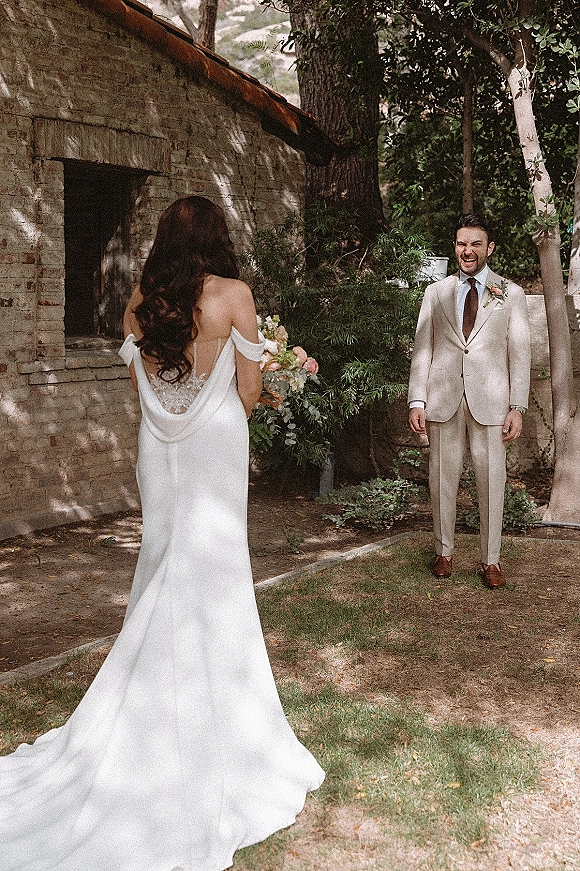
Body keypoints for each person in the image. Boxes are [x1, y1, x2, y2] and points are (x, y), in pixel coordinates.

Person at [0, 196, 324, 870]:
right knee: (212, 572)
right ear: (217, 239)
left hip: (161, 450)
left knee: (163, 563)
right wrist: (277, 376)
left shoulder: (140, 302)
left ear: (164, 243)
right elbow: (244, 394)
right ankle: (211, 720)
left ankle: (151, 704)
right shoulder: (235, 295)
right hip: (214, 449)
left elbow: (144, 391)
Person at [408, 213, 531, 589]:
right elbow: (422, 349)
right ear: (455, 247)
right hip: (444, 398)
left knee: (492, 479)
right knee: (441, 478)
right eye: (462, 243)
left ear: (490, 248)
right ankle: (443, 553)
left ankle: (490, 560)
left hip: (491, 402)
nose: (468, 250)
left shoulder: (510, 293)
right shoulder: (437, 293)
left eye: (476, 243)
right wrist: (417, 400)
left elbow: (520, 352)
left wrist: (517, 405)